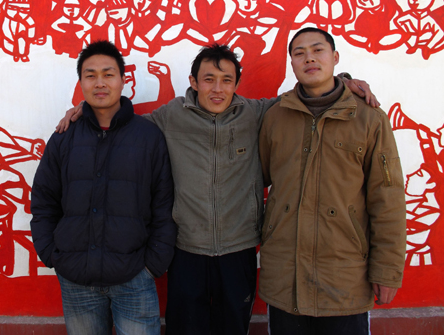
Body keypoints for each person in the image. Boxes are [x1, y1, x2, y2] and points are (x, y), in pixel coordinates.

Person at [57, 43, 377, 335]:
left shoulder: (258, 114)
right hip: (185, 250)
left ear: (236, 84)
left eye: (226, 80)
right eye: (208, 79)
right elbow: (126, 125)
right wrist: (86, 113)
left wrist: (344, 80)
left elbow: (308, 96)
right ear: (194, 82)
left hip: (238, 250)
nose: (218, 89)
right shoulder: (171, 116)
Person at [258, 27, 406, 335]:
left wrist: (388, 269)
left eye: (318, 50)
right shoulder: (275, 116)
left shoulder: (369, 118)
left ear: (335, 57)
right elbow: (259, 177)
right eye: (299, 53)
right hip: (286, 279)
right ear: (291, 63)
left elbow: (388, 197)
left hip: (344, 279)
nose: (309, 58)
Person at [31, 40, 176, 335]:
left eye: (108, 74)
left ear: (123, 80)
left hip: (134, 277)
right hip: (76, 279)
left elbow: (164, 205)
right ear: (81, 82)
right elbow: (44, 200)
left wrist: (152, 265)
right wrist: (52, 254)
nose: (100, 82)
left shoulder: (148, 137)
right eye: (90, 74)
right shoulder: (63, 137)